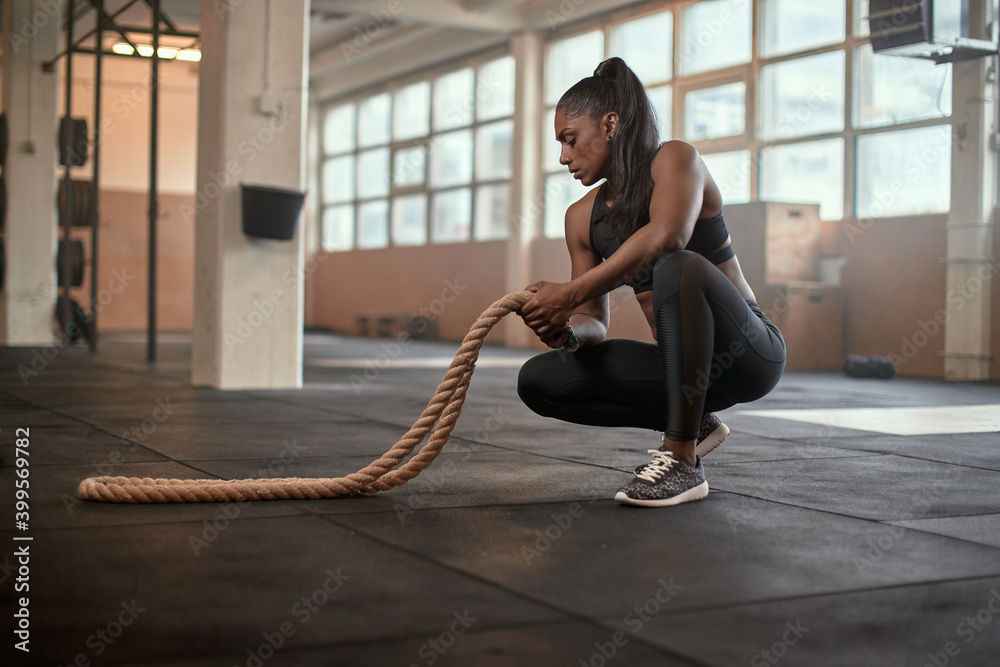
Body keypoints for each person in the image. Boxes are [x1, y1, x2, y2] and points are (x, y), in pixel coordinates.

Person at [517, 57, 786, 508]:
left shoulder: (674, 159)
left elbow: (667, 238)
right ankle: (696, 422)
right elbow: (592, 320)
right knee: (540, 380)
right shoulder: (581, 218)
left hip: (748, 354)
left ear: (610, 124)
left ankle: (681, 459)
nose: (563, 156)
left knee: (677, 265)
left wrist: (566, 294)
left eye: (570, 139)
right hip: (681, 371)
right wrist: (567, 329)